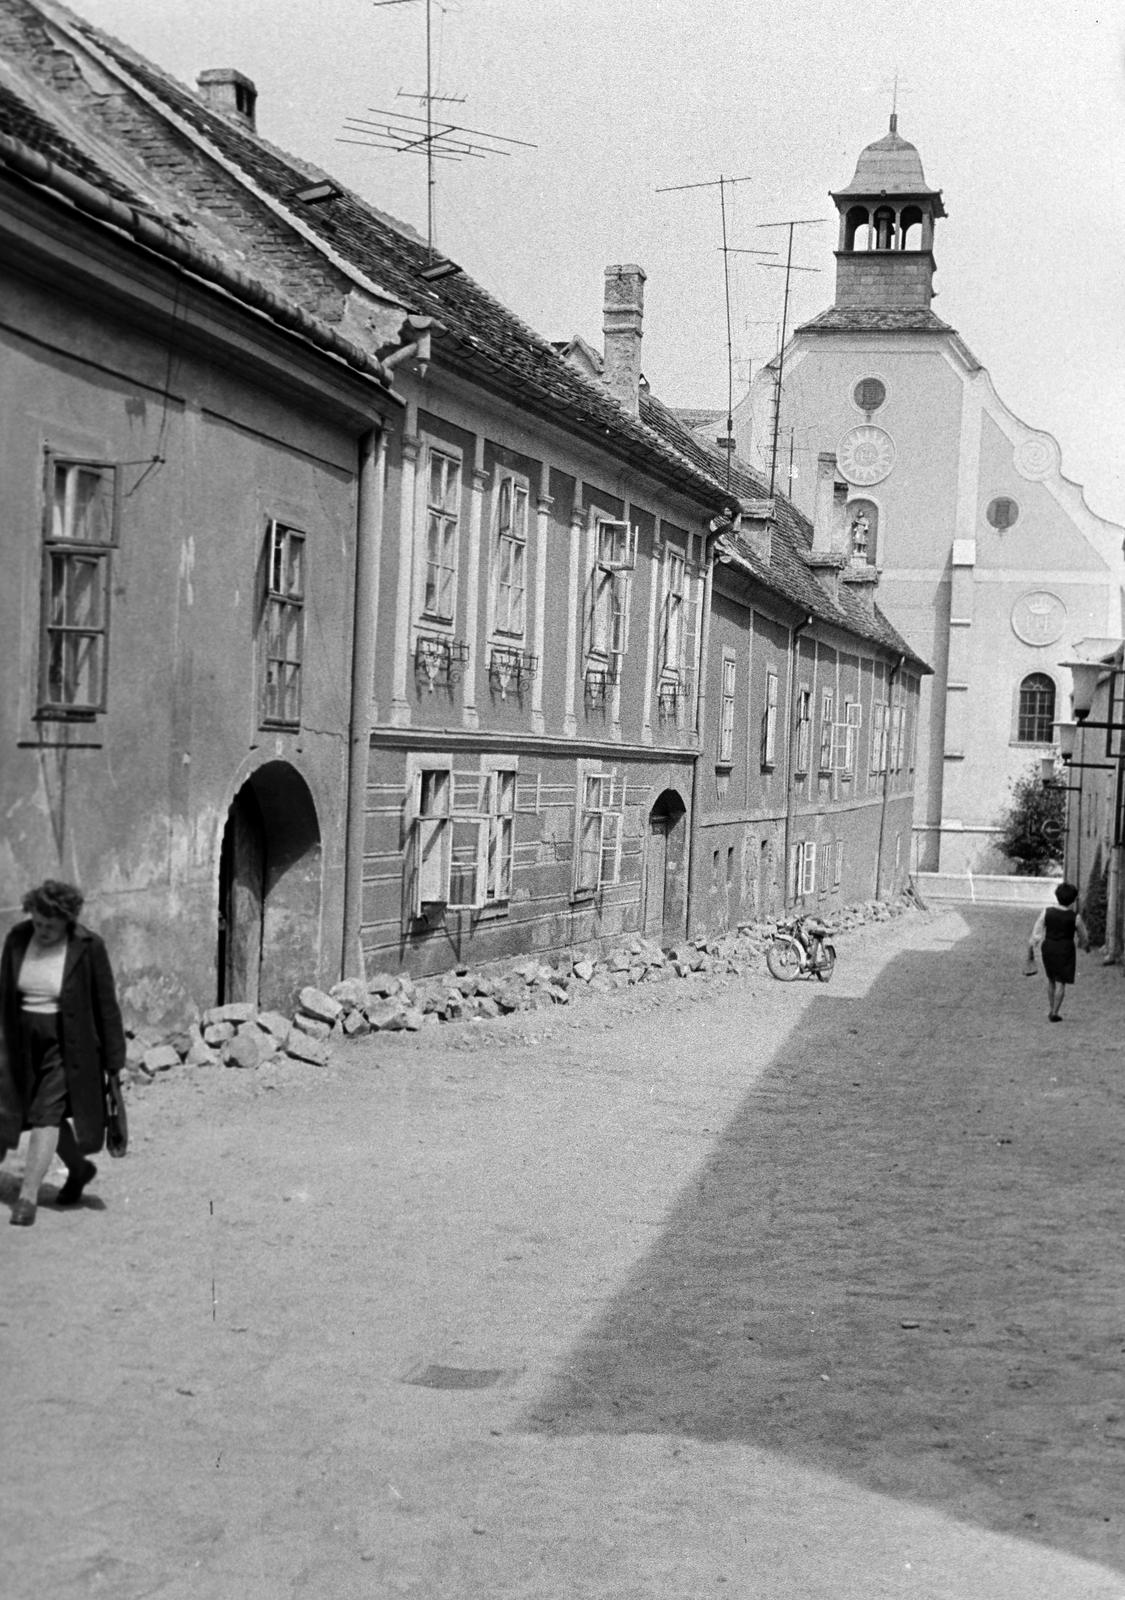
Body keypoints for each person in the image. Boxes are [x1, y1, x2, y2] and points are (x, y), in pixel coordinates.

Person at [0, 880, 125, 1226]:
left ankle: (27, 1197)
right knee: (27, 1114)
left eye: (50, 927)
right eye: (38, 923)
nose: (41, 931)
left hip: (68, 1046)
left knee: (46, 1114)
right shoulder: (17, 939)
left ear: (67, 921)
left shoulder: (88, 946)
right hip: (21, 1044)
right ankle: (79, 1169)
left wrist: (115, 1060)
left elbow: (106, 1006)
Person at [1027, 881, 1088, 1023]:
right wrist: (1085, 944)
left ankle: (1050, 1008)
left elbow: (1037, 930)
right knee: (1061, 982)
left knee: (1051, 979)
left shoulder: (1047, 912)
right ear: (1073, 899)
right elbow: (1083, 934)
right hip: (1066, 949)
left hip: (1049, 947)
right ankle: (1055, 1012)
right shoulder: (1075, 917)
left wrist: (1032, 944)